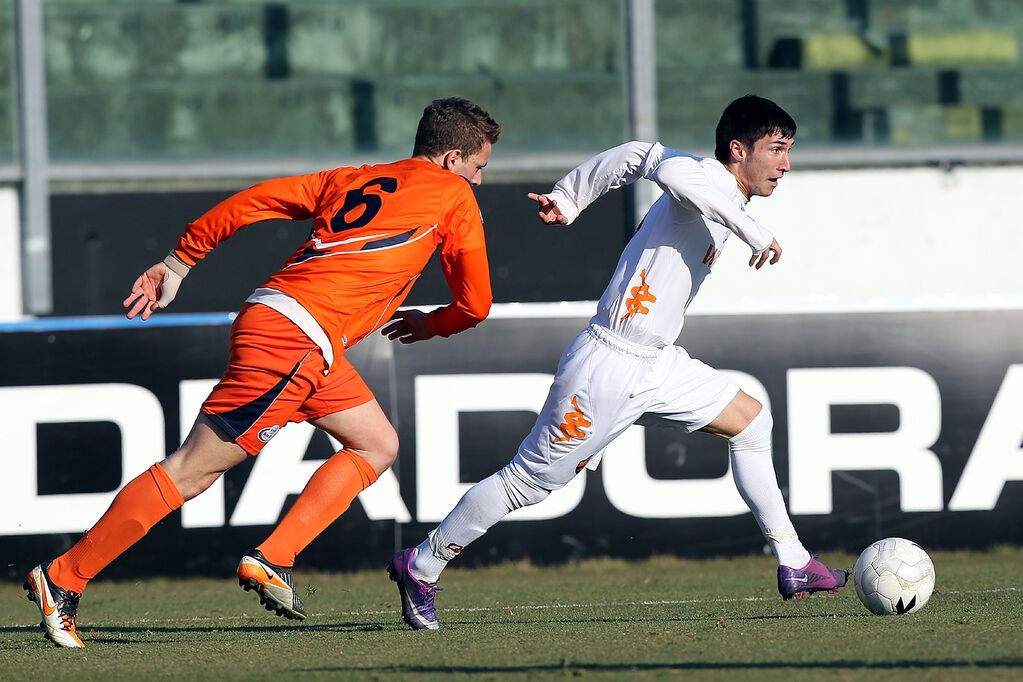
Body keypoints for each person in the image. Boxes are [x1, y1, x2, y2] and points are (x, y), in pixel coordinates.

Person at [24, 97, 501, 648]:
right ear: (450, 158)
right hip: (296, 341)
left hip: (283, 321)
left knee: (376, 444)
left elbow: (255, 200)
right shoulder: (454, 196)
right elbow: (476, 303)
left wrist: (180, 260)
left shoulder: (352, 178)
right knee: (191, 472)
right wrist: (433, 325)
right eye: (478, 166)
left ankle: (274, 558)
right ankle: (63, 577)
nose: (480, 181)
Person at [388, 94, 847, 631]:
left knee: (752, 420)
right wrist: (571, 195)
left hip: (658, 363)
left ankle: (794, 562)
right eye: (777, 149)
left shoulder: (726, 200)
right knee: (527, 483)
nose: (785, 164)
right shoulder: (699, 176)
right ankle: (422, 564)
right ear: (737, 150)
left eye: (789, 151)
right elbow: (642, 155)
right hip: (609, 362)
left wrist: (570, 197)